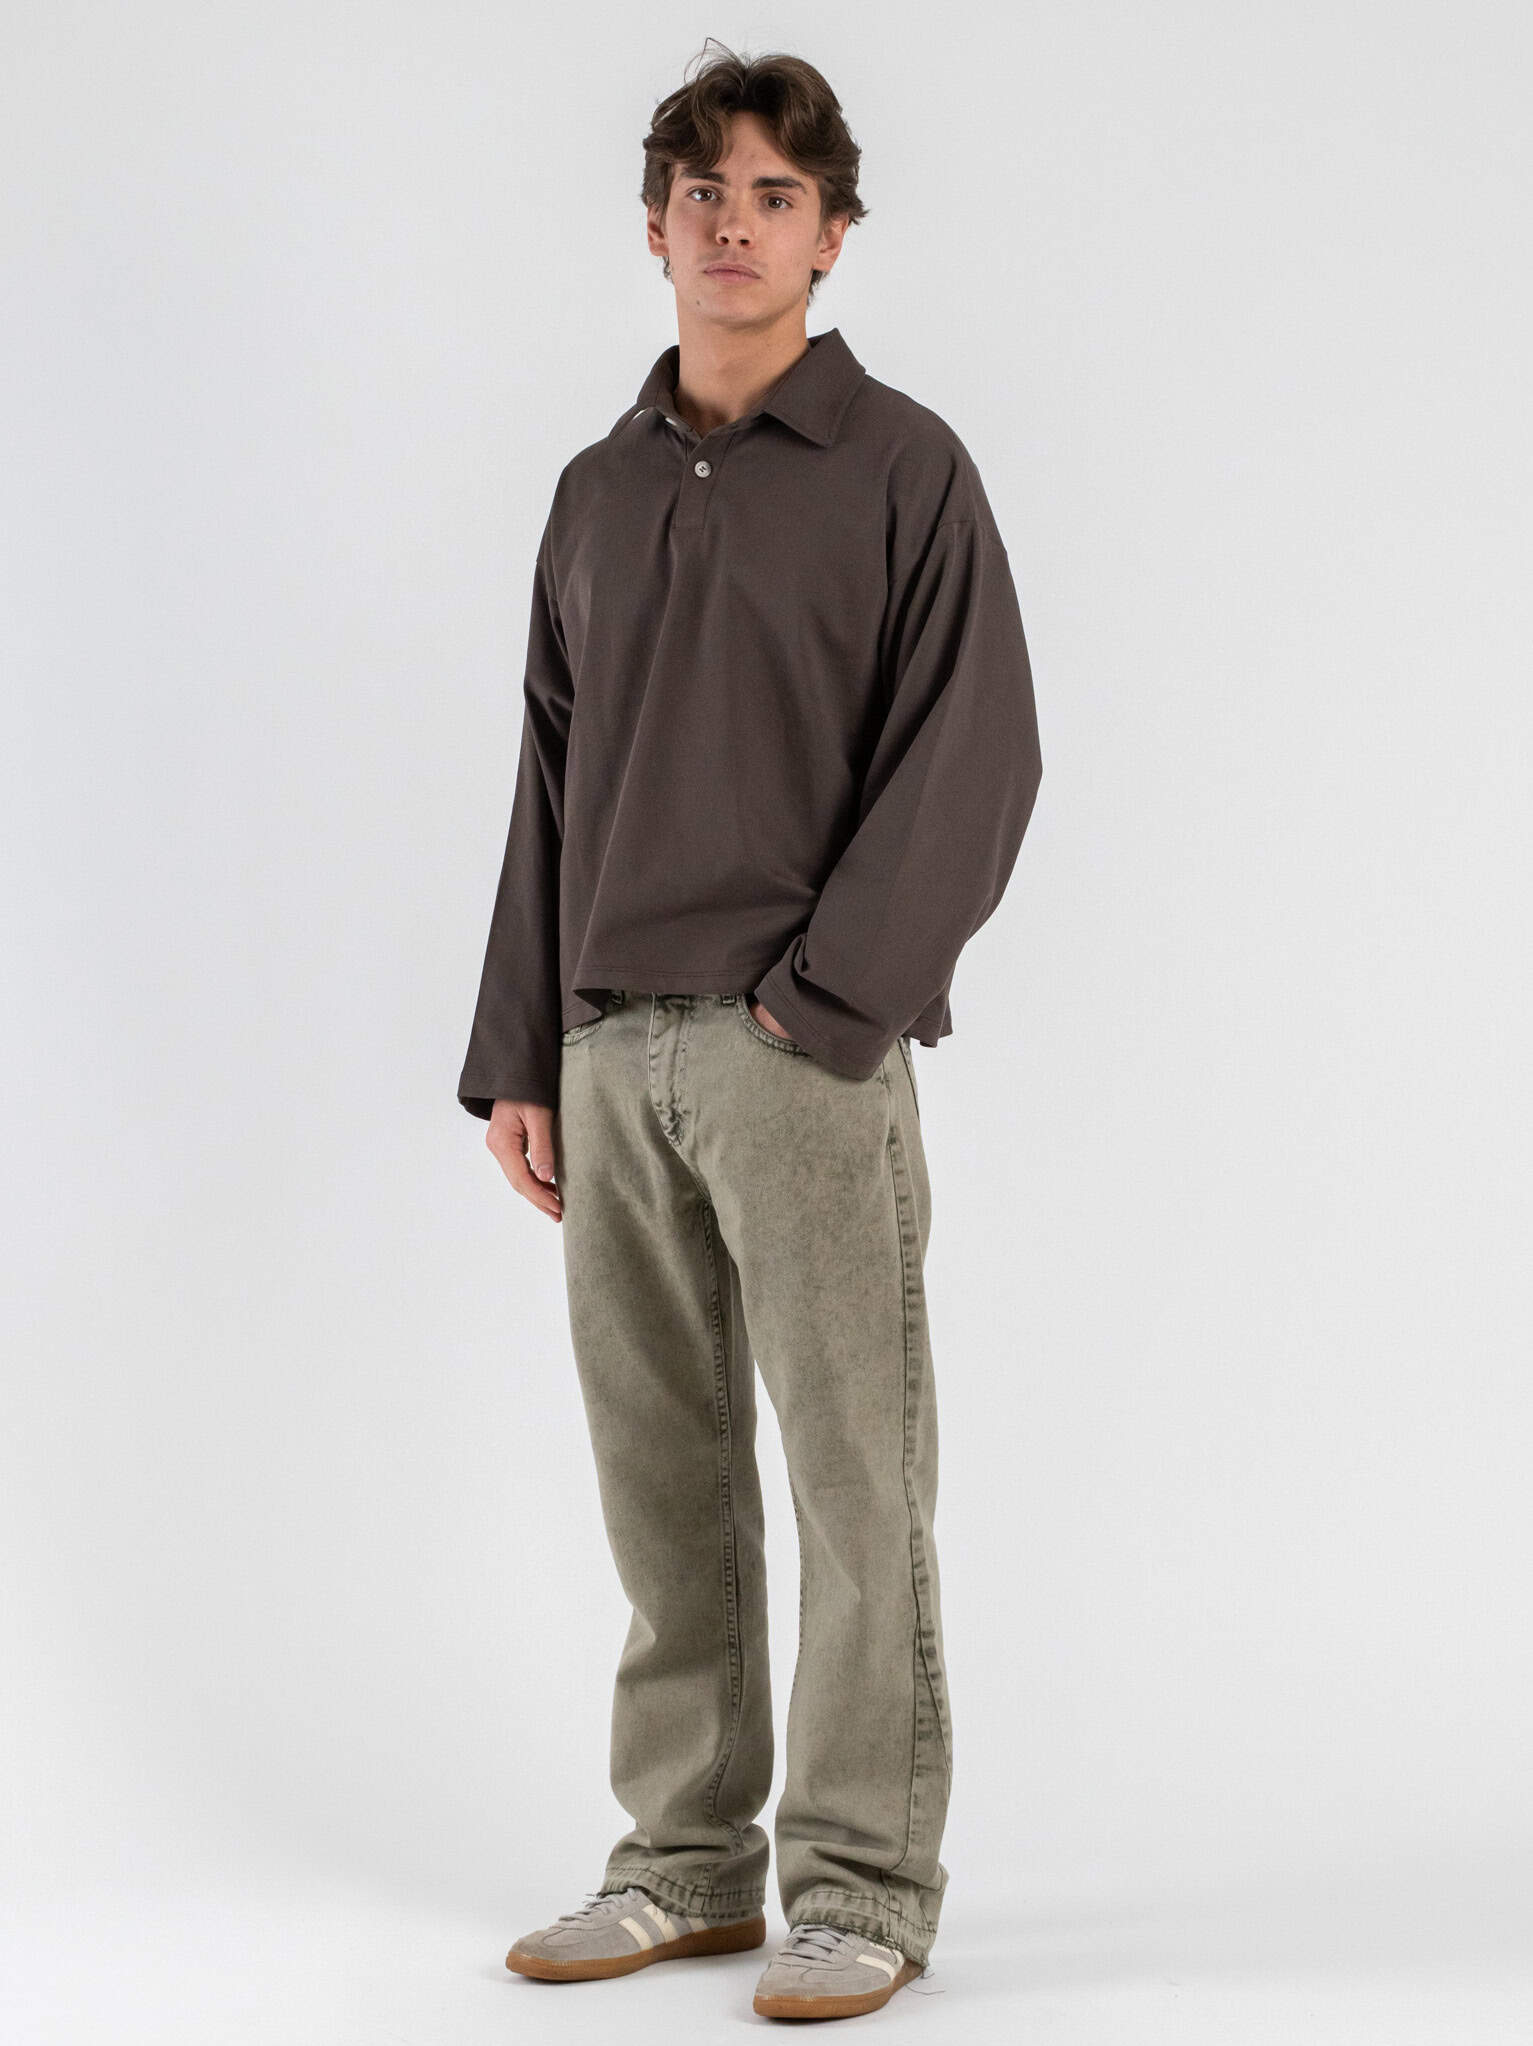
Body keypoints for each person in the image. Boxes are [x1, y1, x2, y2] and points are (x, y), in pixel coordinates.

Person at [457, 40, 1042, 2024]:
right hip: (608, 1047)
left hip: (800, 1051)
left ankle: (859, 1885)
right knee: (664, 1478)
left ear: (831, 234)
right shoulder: (595, 491)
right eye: (701, 191)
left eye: (772, 194)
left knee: (853, 1484)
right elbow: (549, 782)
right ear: (653, 227)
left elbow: (976, 757)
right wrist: (521, 1047)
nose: (732, 223)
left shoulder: (901, 469)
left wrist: (825, 1008)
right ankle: (686, 1861)